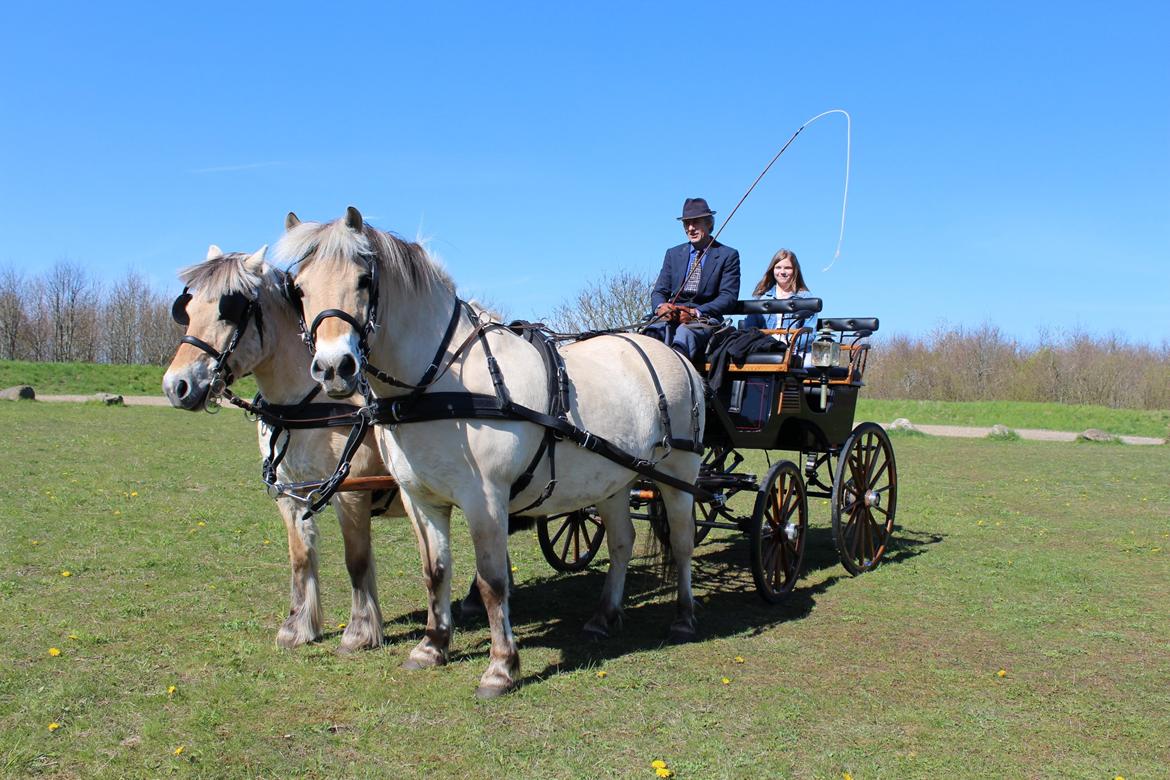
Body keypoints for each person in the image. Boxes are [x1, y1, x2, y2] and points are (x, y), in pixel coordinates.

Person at [646, 197, 741, 360]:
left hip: (704, 319)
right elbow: (659, 291)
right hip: (672, 314)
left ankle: (677, 371)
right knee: (653, 331)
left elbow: (728, 297)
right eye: (686, 223)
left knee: (685, 333)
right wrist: (661, 307)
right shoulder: (673, 254)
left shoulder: (728, 255)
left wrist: (696, 312)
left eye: (696, 222)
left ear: (709, 223)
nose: (690, 228)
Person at [742, 248, 813, 332]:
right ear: (772, 270)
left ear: (795, 271)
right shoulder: (760, 297)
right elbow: (750, 331)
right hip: (764, 340)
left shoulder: (806, 299)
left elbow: (810, 333)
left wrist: (791, 338)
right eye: (778, 267)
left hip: (793, 340)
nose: (782, 272)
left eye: (787, 268)